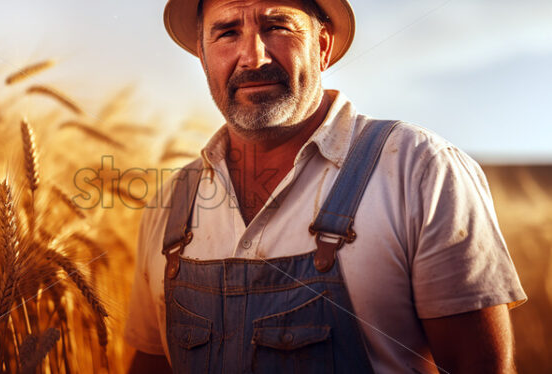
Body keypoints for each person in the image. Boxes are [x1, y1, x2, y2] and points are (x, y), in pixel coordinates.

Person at [125, 0, 527, 372]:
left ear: (322, 45)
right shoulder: (171, 202)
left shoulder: (421, 170)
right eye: (227, 33)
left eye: (277, 27)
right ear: (203, 55)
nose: (253, 57)